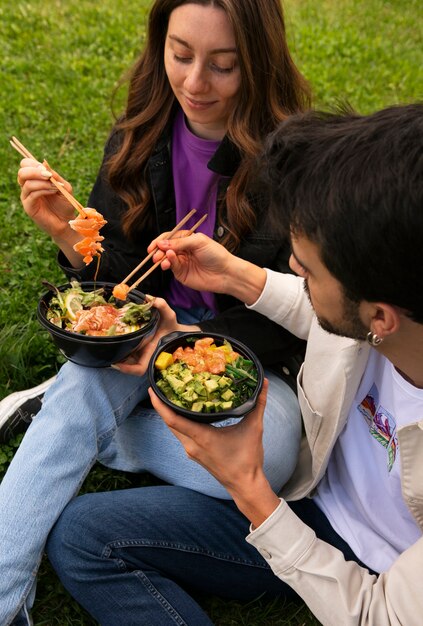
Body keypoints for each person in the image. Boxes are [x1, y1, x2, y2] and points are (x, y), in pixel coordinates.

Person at [46, 103, 423, 626]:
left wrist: (246, 487)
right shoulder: (394, 311)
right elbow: (322, 315)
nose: (292, 266)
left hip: (373, 577)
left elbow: (377, 614)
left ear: (380, 316)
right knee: (82, 535)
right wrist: (238, 277)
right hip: (310, 498)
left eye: (308, 269)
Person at [0, 1, 311, 624]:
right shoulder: (142, 133)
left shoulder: (292, 160)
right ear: (159, 45)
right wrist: (68, 233)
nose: (196, 83)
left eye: (223, 66)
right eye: (181, 55)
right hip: (128, 350)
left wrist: (186, 337)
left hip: (241, 369)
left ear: (257, 61)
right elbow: (116, 281)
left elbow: (293, 315)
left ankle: (68, 419)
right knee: (92, 376)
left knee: (274, 456)